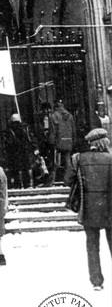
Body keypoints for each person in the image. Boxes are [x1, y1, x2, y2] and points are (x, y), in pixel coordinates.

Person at [65, 128, 112, 291]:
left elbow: (67, 180)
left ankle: (96, 281)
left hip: (89, 207)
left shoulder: (78, 159)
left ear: (91, 143)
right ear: (104, 142)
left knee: (92, 246)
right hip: (109, 207)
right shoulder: (111, 158)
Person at [50, 100, 77, 183]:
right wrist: (74, 140)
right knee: (67, 160)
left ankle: (52, 180)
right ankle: (67, 179)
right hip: (69, 140)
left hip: (59, 141)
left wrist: (51, 141)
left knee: (55, 160)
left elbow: (53, 130)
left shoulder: (54, 115)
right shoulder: (70, 116)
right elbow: (73, 130)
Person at [4, 114, 34, 189]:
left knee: (15, 169)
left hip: (14, 152)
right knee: (25, 168)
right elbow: (29, 139)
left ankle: (17, 185)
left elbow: (9, 142)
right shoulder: (25, 128)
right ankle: (27, 184)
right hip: (24, 151)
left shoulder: (10, 130)